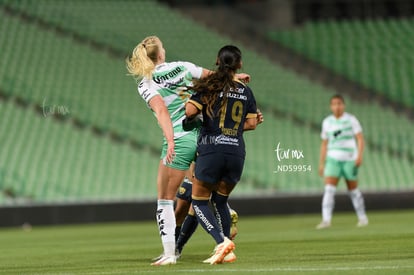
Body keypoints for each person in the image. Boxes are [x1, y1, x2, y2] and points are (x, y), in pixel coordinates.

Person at [126, 36, 250, 266]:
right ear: (161, 53)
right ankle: (218, 230)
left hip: (181, 138)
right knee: (193, 197)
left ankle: (170, 254)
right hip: (204, 136)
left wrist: (171, 141)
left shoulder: (146, 83)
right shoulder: (182, 67)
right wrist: (235, 77)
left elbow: (162, 112)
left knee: (164, 200)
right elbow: (214, 78)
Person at [185, 45, 262, 264]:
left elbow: (190, 112)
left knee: (199, 202)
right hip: (236, 152)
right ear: (240, 64)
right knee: (220, 201)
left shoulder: (210, 85)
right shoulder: (246, 91)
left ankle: (221, 241)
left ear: (217, 62)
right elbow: (252, 123)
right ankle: (227, 250)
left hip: (211, 149)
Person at [317, 94, 369, 229]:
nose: (337, 106)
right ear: (330, 106)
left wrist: (359, 156)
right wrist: (321, 163)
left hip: (349, 159)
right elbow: (324, 143)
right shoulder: (327, 122)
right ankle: (326, 220)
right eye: (334, 104)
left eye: (339, 103)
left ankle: (362, 218)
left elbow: (360, 138)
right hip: (332, 160)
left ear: (343, 105)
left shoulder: (351, 120)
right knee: (329, 190)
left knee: (354, 191)